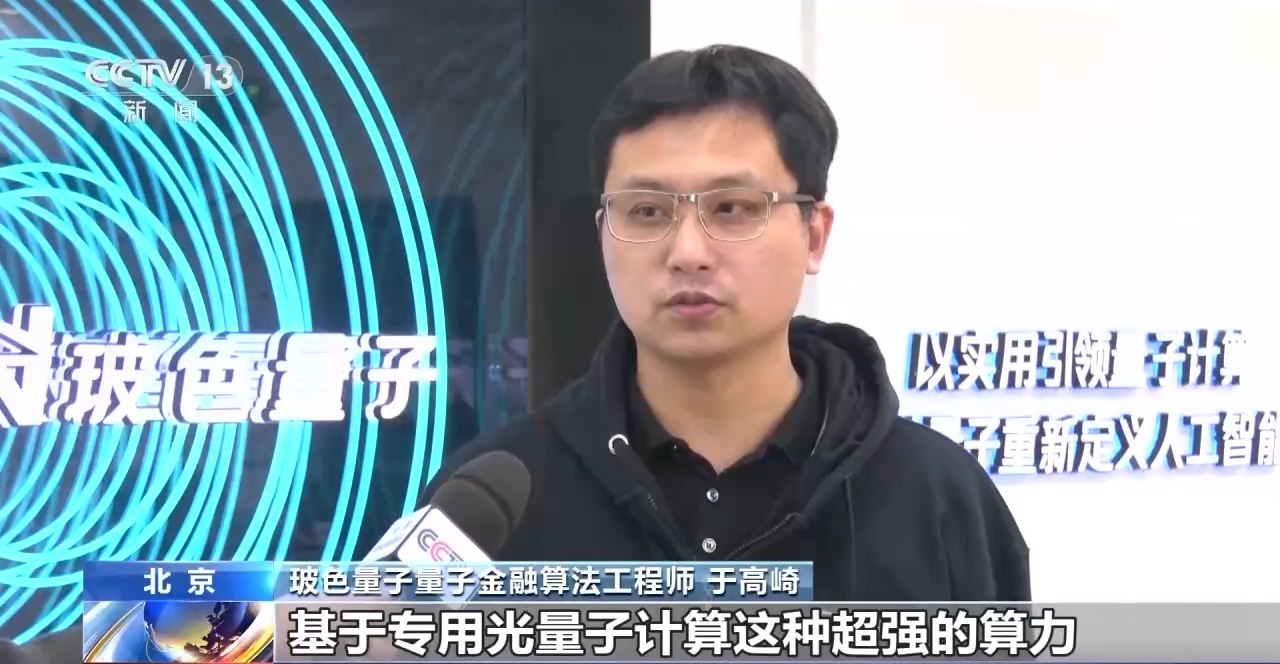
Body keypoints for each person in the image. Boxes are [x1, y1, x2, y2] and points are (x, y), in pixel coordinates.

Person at [426, 44, 1031, 600]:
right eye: (646, 211)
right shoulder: (489, 507)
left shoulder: (940, 498)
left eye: (734, 208)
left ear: (814, 235)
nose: (688, 251)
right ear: (603, 234)